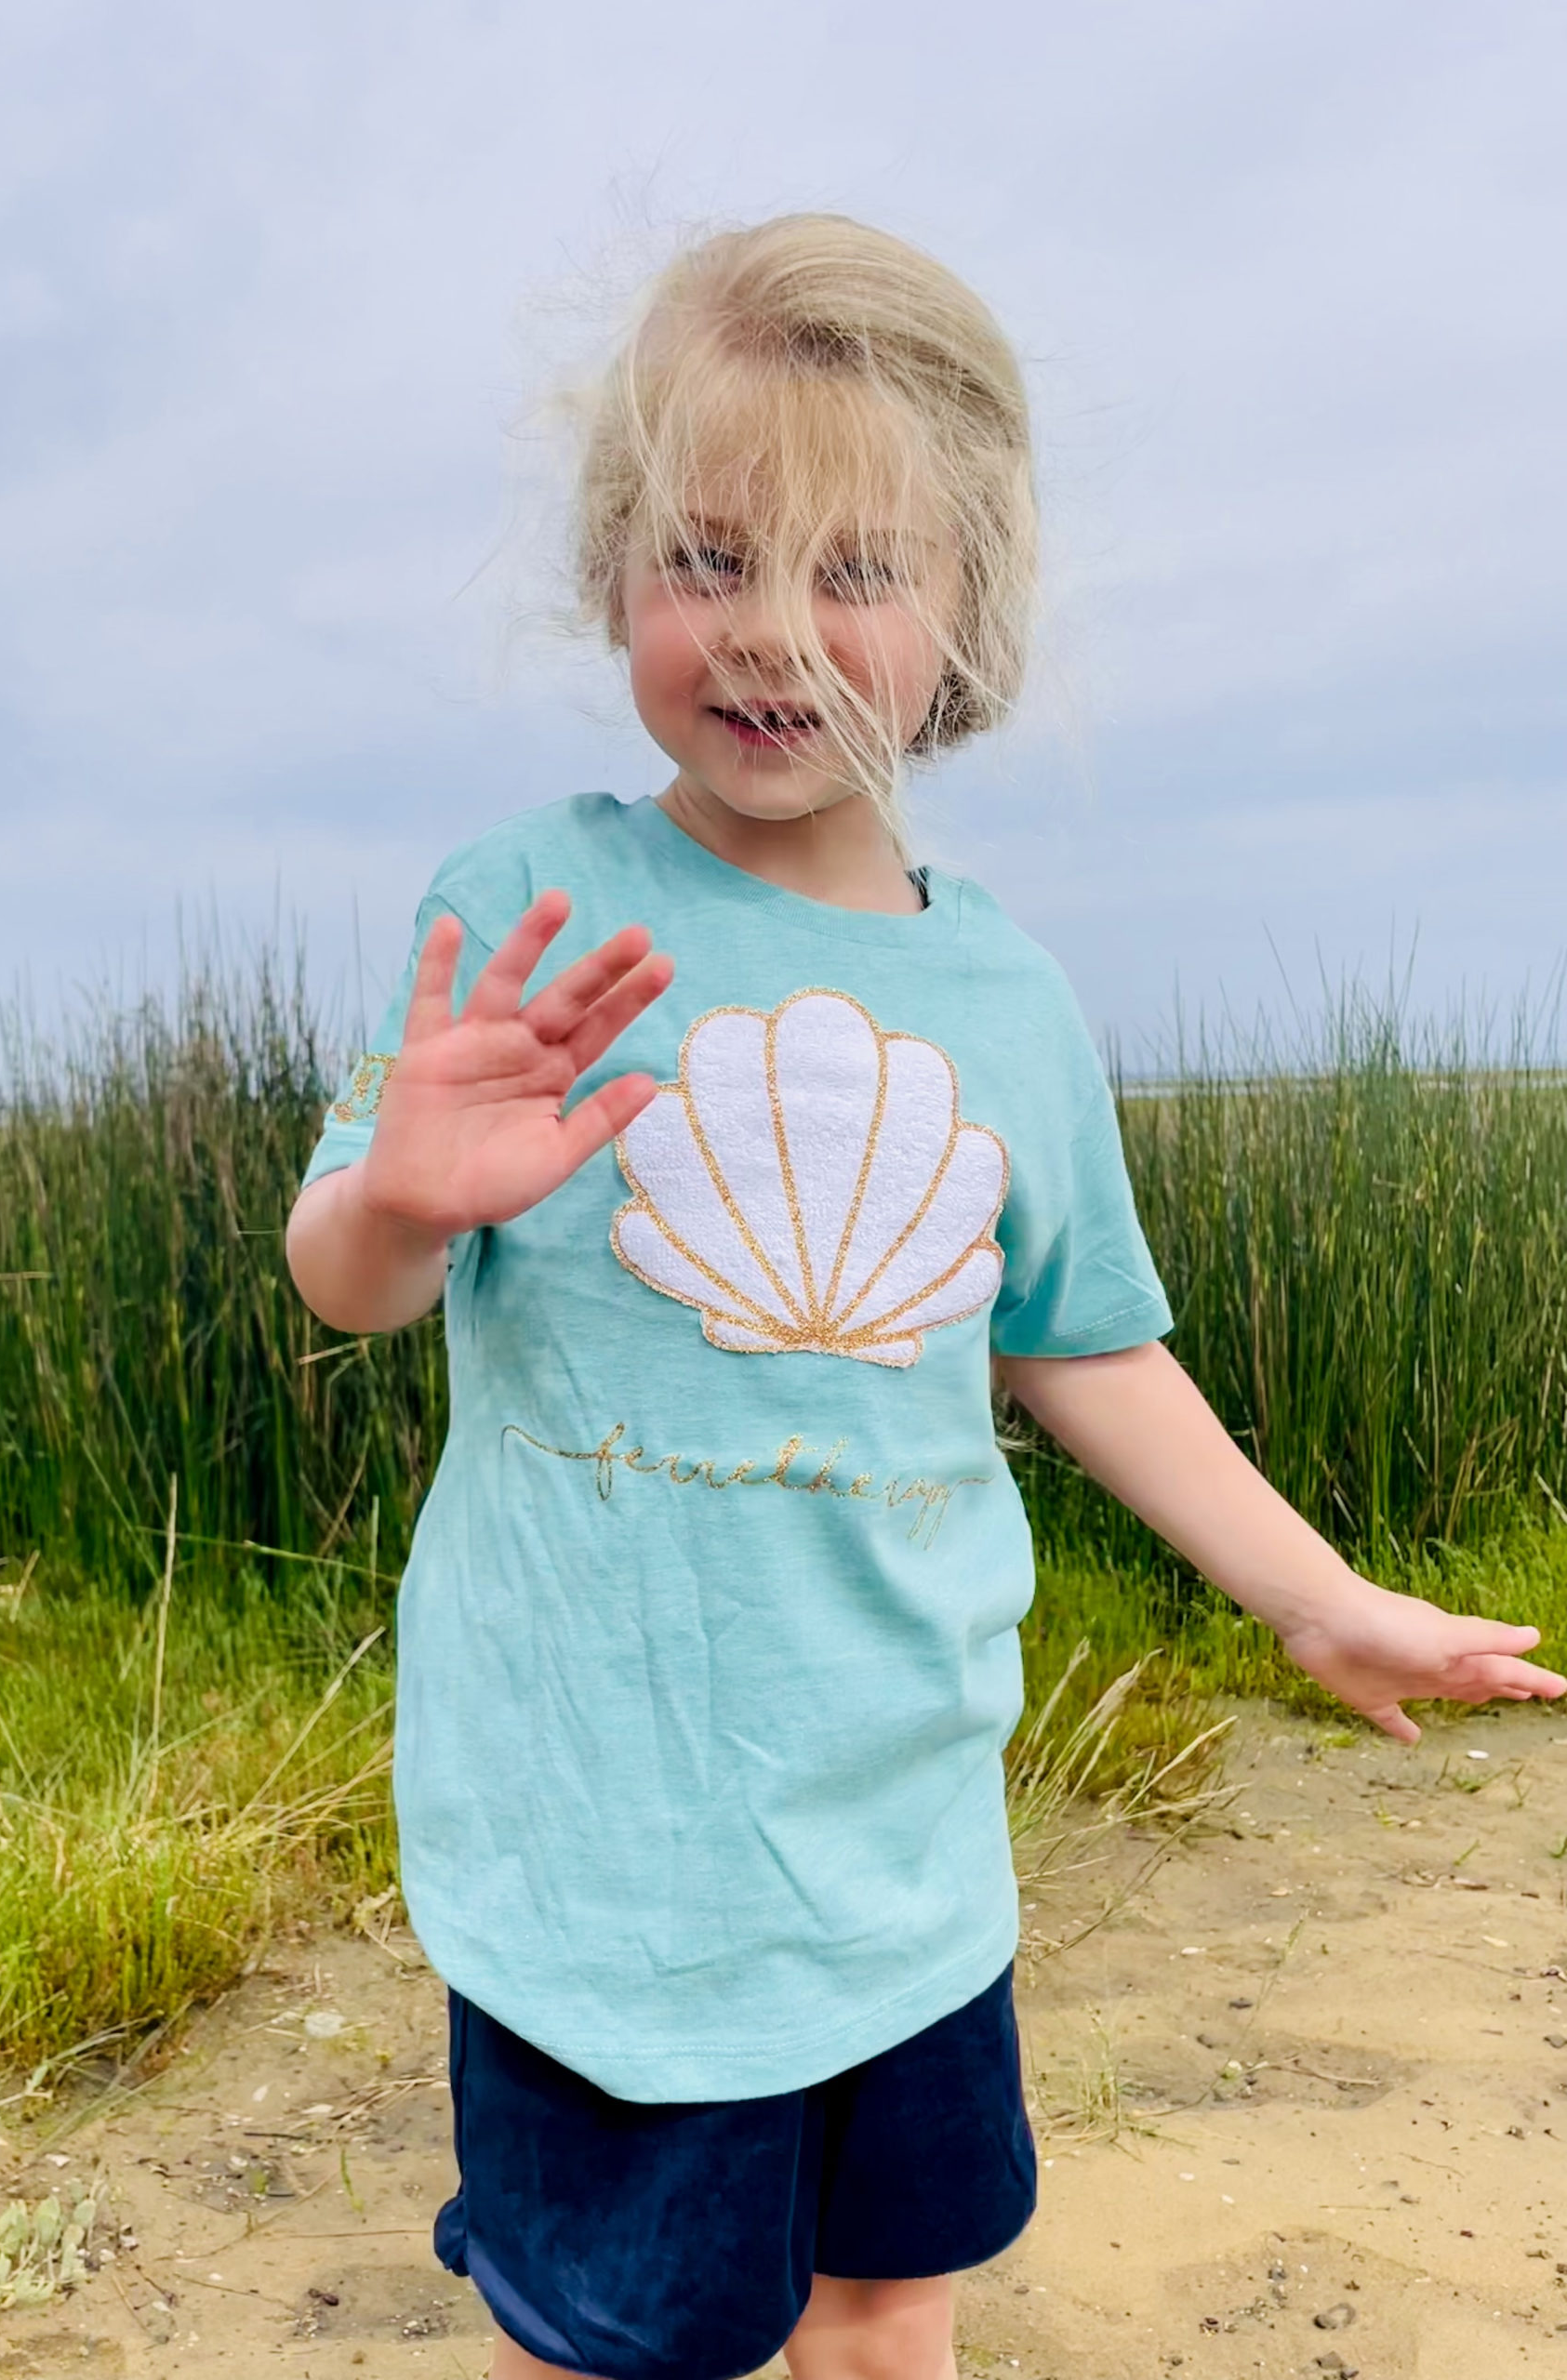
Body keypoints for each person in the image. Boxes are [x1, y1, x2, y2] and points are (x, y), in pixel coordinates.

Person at [285, 214, 1563, 2380]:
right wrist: (401, 1199)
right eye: (706, 558)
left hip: (899, 1846)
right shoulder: (524, 904)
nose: (774, 633)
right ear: (615, 571)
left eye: (857, 571)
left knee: (890, 2307)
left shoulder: (1006, 996)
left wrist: (1313, 1588)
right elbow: (352, 1278)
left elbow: (1084, 1341)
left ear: (967, 608)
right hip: (604, 1859)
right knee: (599, 2334)